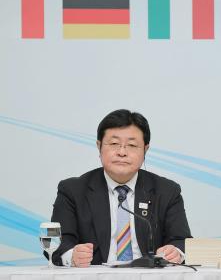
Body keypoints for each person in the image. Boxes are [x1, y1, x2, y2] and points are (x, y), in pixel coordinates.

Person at [48, 109, 192, 267]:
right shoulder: (72, 190)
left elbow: (182, 240)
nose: (122, 152)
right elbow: (57, 243)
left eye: (131, 145)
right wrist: (72, 255)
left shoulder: (167, 191)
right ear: (99, 146)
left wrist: (176, 251)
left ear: (145, 149)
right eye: (114, 144)